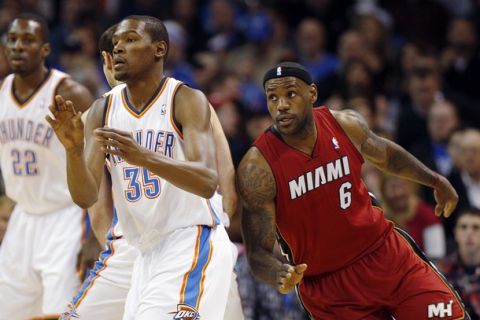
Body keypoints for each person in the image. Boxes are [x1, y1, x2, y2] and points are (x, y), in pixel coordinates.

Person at [237, 61, 469, 319]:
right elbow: (258, 251)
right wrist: (276, 273)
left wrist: (435, 180)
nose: (281, 105)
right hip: (330, 288)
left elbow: (386, 155)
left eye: (290, 94)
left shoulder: (344, 124)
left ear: (312, 93)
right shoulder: (257, 167)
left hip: (385, 255)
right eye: (272, 98)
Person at [48, 15, 233, 320]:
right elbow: (86, 196)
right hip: (143, 249)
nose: (119, 49)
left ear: (159, 49)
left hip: (189, 238)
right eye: (116, 43)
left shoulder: (184, 99)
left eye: (131, 40)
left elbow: (207, 181)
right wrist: (72, 150)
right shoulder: (102, 109)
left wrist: (144, 157)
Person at [0, 13, 93, 319]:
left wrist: (95, 232)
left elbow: (100, 162)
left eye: (28, 40)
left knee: (60, 312)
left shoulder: (69, 93)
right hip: (22, 217)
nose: (17, 47)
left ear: (45, 49)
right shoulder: (2, 91)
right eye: (12, 39)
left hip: (66, 216)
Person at [439, 208, 480, 319]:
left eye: (476, 227)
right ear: (455, 233)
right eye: (463, 227)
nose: (469, 233)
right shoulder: (441, 272)